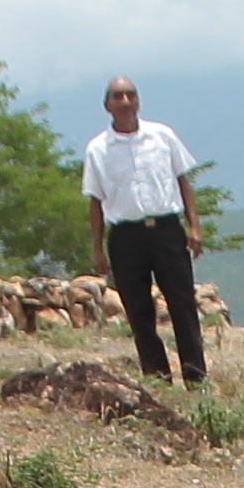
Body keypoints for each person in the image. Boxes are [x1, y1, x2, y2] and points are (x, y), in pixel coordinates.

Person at [80, 77, 209, 383]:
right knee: (138, 311)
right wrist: (97, 248)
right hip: (126, 237)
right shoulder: (98, 149)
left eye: (130, 95)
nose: (124, 101)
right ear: (106, 105)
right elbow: (95, 201)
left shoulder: (162, 136)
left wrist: (194, 226)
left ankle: (195, 377)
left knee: (182, 304)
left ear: (138, 100)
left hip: (166, 230)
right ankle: (158, 378)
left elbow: (183, 181)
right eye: (117, 96)